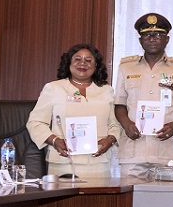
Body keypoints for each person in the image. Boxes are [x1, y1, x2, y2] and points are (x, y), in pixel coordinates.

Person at [114, 13, 173, 178]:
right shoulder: (125, 68)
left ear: (167, 40)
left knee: (165, 196)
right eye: (147, 35)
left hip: (167, 151)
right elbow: (120, 104)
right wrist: (126, 124)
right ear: (140, 40)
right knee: (130, 195)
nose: (152, 39)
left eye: (157, 35)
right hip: (133, 151)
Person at [27, 44, 120, 178]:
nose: (82, 63)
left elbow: (115, 124)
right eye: (77, 59)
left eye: (88, 60)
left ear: (96, 65)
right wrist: (55, 141)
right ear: (69, 63)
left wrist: (110, 140)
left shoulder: (106, 90)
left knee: (98, 193)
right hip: (63, 161)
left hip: (98, 161)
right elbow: (35, 122)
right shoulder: (54, 88)